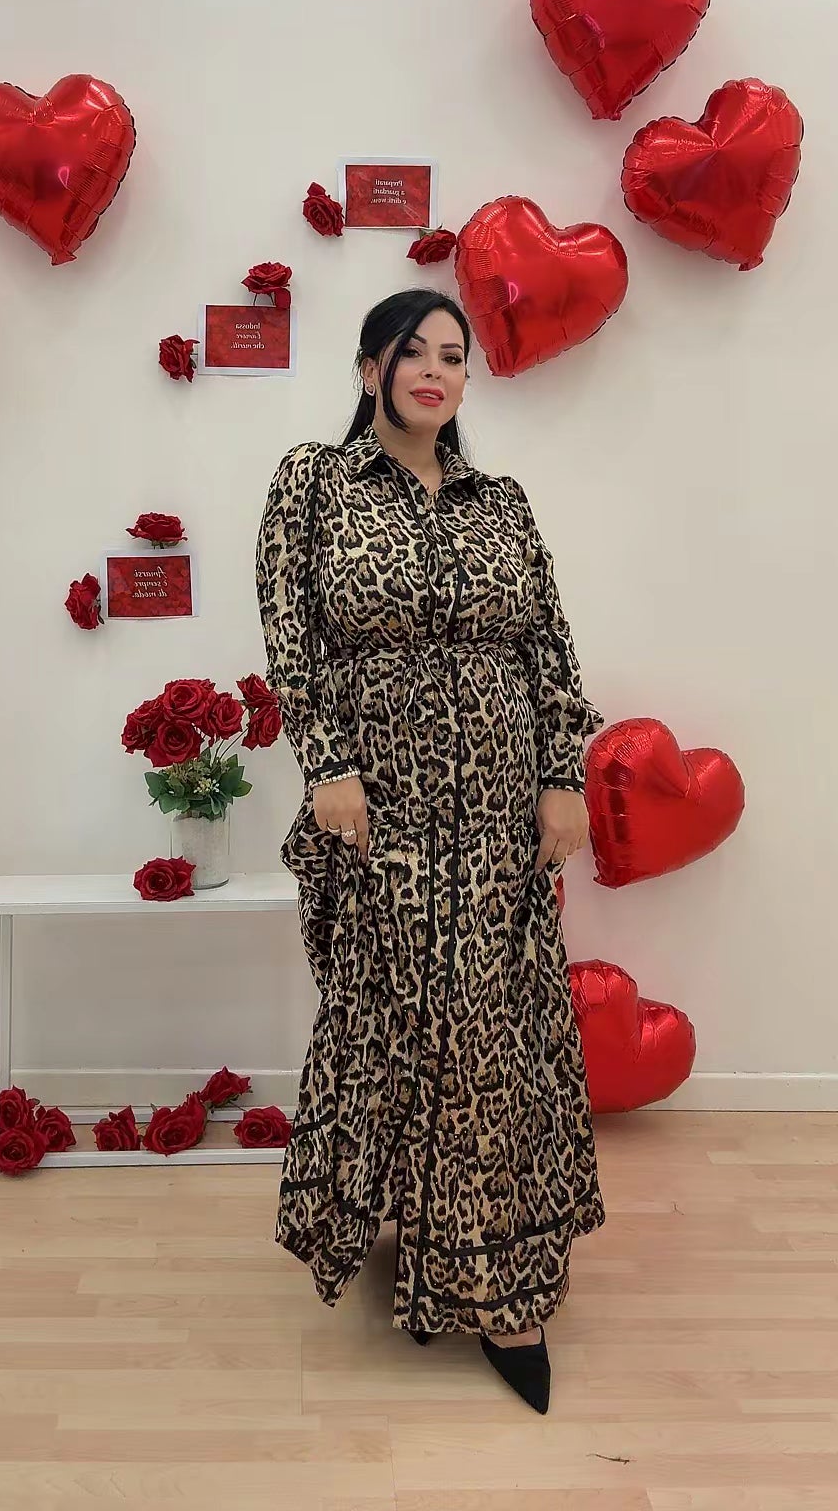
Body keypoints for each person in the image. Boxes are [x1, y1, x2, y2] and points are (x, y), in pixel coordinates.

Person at [254, 287, 605, 1415]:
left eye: (455, 356)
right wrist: (326, 764)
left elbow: (548, 644)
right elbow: (290, 637)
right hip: (385, 807)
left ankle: (500, 1284)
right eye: (415, 352)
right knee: (404, 1018)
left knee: (492, 1026)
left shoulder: (502, 503)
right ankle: (414, 1232)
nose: (437, 372)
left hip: (501, 807)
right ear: (371, 369)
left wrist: (562, 775)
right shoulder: (315, 482)